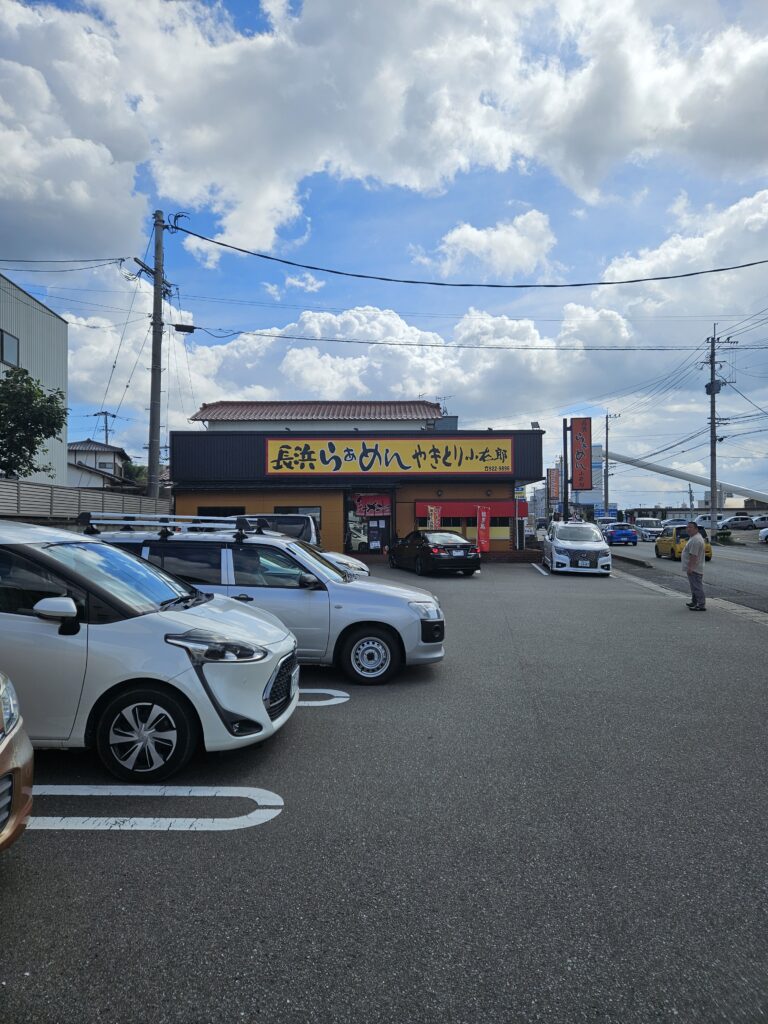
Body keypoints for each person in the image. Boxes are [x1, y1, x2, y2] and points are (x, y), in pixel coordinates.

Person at [682, 521, 706, 611]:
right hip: (695, 567)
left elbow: (694, 555)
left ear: (696, 529)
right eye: (687, 527)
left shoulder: (696, 540)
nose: (688, 529)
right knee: (693, 586)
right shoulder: (694, 538)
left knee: (697, 586)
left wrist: (690, 568)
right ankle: (694, 601)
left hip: (695, 568)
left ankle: (701, 605)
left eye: (690, 527)